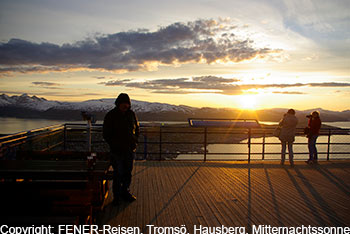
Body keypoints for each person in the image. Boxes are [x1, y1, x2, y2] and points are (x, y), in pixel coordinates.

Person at [103, 93, 140, 205]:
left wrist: (135, 141)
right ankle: (117, 197)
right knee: (118, 173)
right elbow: (106, 133)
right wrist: (114, 145)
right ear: (118, 103)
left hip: (129, 149)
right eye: (123, 103)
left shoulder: (131, 114)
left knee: (127, 173)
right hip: (117, 151)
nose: (125, 105)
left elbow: (137, 129)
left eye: (127, 103)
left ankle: (125, 192)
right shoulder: (111, 115)